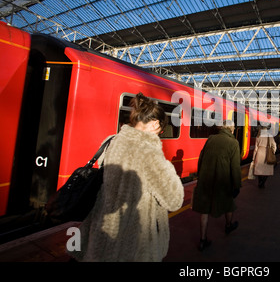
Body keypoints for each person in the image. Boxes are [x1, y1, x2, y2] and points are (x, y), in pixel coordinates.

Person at [68, 92, 184, 262]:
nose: (160, 134)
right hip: (134, 242)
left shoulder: (110, 141)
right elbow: (174, 200)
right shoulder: (150, 153)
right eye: (161, 129)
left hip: (101, 231)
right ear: (154, 124)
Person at [192, 120, 242, 251]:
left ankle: (203, 240)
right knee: (228, 204)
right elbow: (235, 167)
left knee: (204, 209)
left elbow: (201, 158)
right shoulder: (234, 143)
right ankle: (228, 225)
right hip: (223, 180)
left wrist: (200, 175)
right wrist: (237, 185)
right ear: (231, 129)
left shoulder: (211, 139)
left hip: (206, 178)